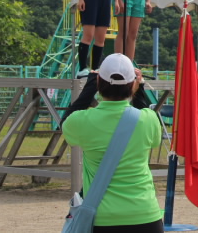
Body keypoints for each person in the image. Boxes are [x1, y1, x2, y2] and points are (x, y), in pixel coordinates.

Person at [62, 53, 164, 232]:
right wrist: (139, 88)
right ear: (132, 84)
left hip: (101, 219)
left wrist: (90, 85)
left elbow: (66, 121)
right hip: (145, 215)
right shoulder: (148, 120)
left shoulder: (83, 121)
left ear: (99, 83)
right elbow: (144, 115)